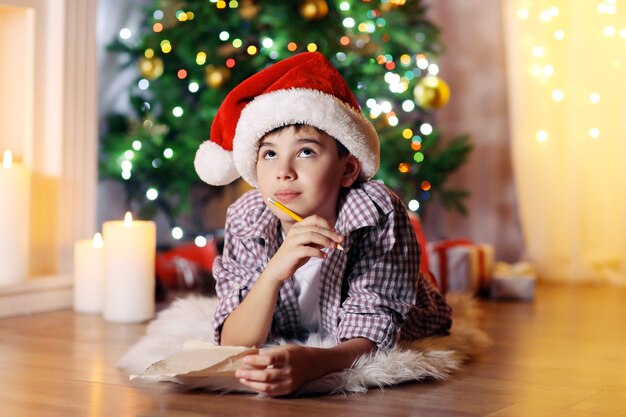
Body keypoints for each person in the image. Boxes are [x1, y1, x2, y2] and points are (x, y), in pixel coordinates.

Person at [194, 52, 451, 396]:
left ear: (347, 169)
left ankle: (428, 275)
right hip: (300, 306)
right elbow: (234, 340)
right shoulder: (247, 215)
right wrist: (273, 273)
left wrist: (312, 362)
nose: (283, 170)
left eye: (305, 152)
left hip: (408, 304)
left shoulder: (376, 212)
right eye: (269, 154)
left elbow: (374, 336)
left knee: (421, 301)